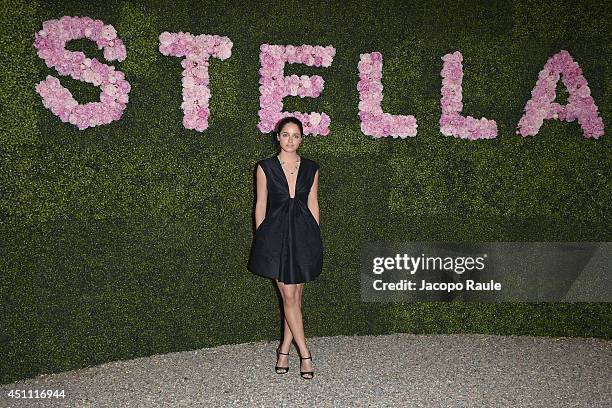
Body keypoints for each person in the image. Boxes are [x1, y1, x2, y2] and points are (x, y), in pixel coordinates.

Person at [248, 116, 323, 380]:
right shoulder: (265, 167)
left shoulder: (311, 168)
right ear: (277, 137)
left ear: (302, 139)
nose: (290, 140)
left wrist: (316, 236)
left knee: (295, 298)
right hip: (276, 238)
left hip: (304, 236)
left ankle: (283, 350)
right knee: (289, 297)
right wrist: (262, 239)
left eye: (296, 135)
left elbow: (313, 203)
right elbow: (260, 205)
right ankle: (305, 354)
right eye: (286, 134)